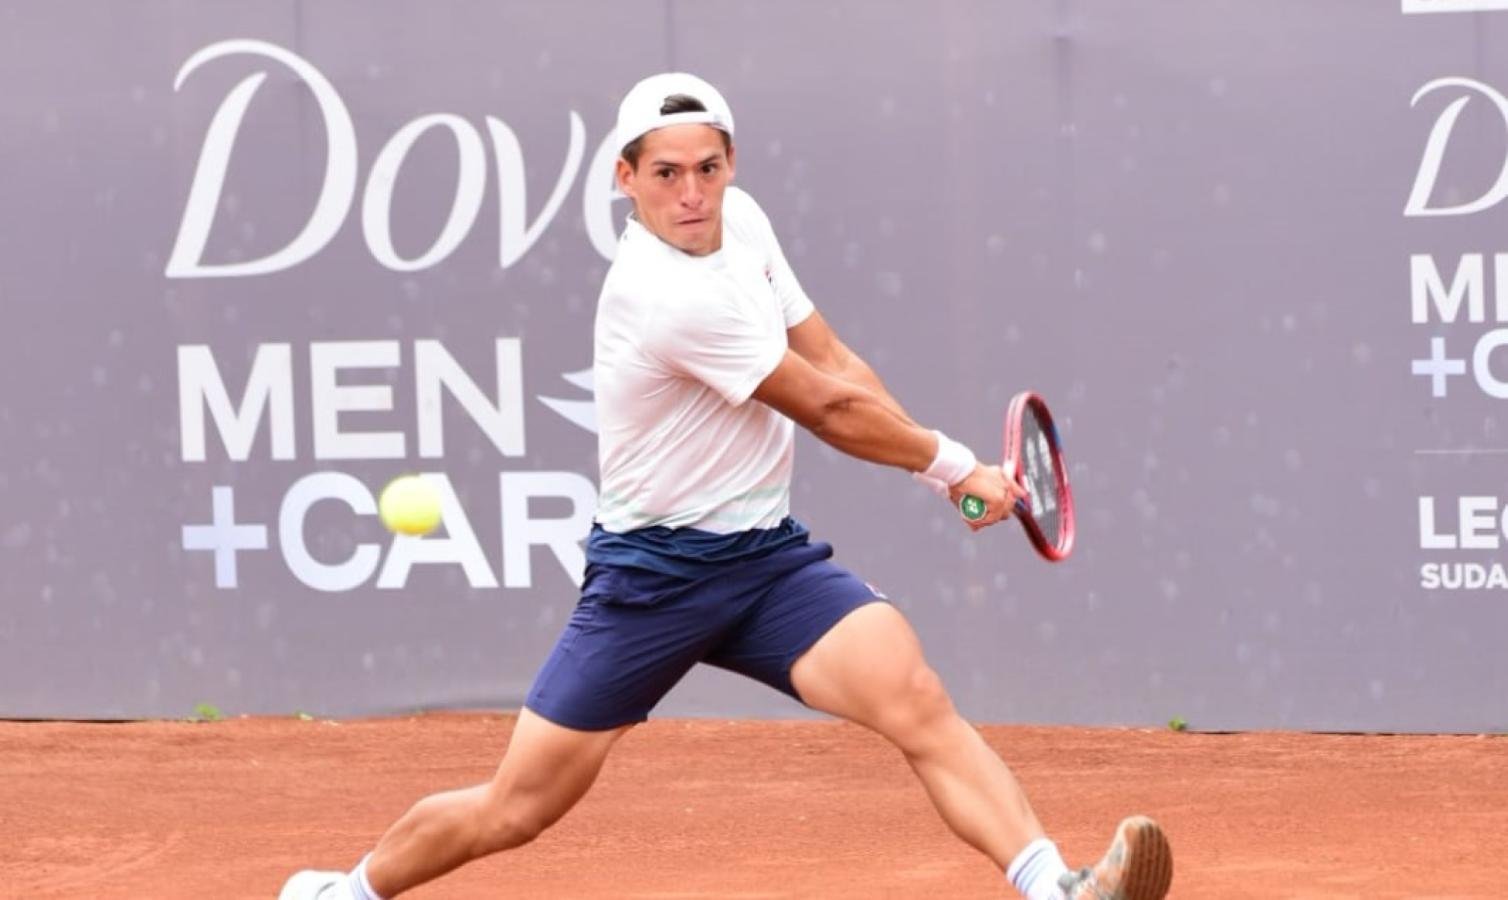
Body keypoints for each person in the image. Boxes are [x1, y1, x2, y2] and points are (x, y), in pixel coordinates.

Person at [280, 72, 1173, 900]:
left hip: (766, 564)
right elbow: (823, 406)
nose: (692, 194)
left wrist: (949, 476)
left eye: (708, 168)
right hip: (652, 580)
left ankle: (1053, 885)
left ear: (731, 163)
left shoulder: (740, 223)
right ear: (624, 179)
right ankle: (348, 892)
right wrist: (949, 467)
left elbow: (835, 360)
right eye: (665, 173)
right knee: (517, 808)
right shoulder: (663, 294)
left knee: (915, 698)